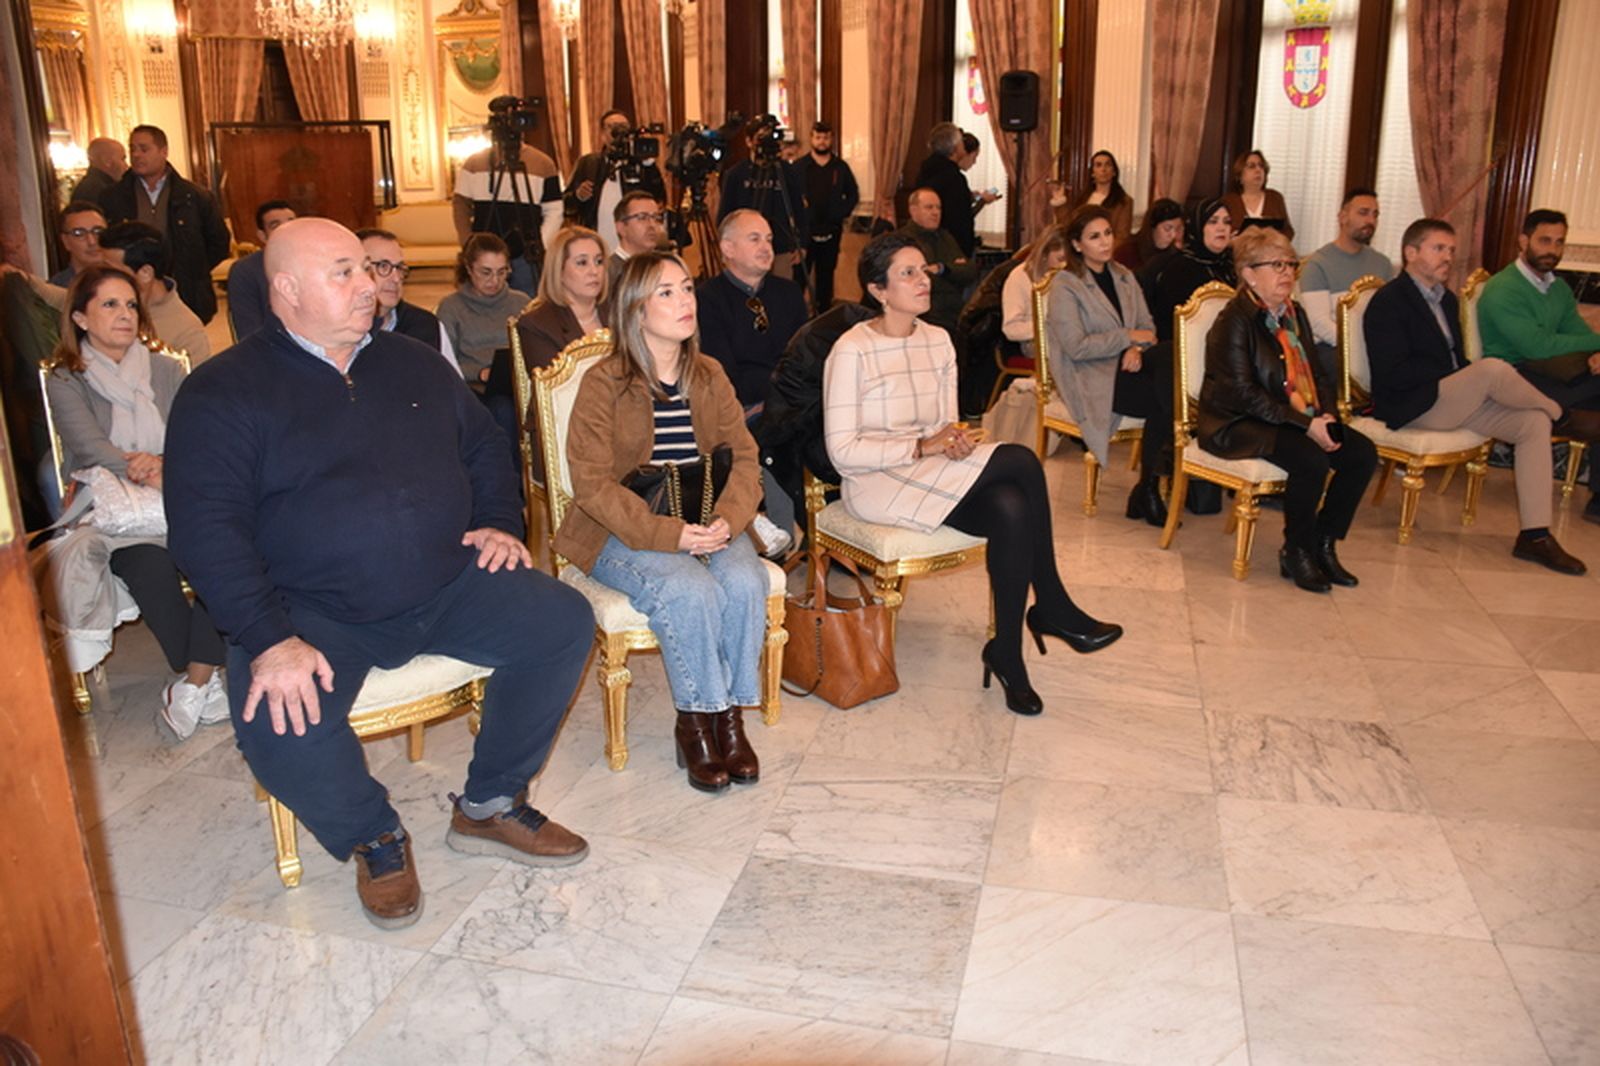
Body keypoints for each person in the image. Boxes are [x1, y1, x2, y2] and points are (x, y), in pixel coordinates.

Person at [163, 218, 595, 931]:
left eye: (367, 270)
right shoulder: (224, 392)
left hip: (447, 582)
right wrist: (270, 639)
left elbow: (485, 446)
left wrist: (498, 520)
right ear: (286, 289)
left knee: (560, 622)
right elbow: (206, 533)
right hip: (313, 611)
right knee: (277, 724)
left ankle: (489, 804)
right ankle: (375, 836)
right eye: (346, 273)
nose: (370, 286)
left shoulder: (413, 360)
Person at [823, 233, 1122, 717]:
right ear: (878, 290)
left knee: (1011, 506)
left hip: (931, 468)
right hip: (877, 483)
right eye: (908, 274)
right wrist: (922, 446)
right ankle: (1050, 604)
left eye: (924, 271)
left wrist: (955, 441)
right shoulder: (852, 350)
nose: (924, 281)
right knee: (1022, 462)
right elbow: (842, 452)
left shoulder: (939, 339)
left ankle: (1007, 652)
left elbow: (947, 424)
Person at [554, 251, 769, 794]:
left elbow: (744, 457)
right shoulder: (605, 383)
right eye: (666, 293)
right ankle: (696, 723)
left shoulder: (709, 374)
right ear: (635, 309)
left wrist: (726, 519)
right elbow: (593, 484)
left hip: (706, 516)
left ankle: (730, 720)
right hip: (620, 528)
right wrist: (669, 535)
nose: (685, 302)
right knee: (689, 589)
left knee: (746, 580)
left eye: (688, 288)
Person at [43, 265, 227, 737]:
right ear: (81, 318)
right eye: (109, 304)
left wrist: (167, 468)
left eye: (129, 304)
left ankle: (194, 684)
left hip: (175, 494)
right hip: (113, 510)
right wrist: (144, 467)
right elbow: (88, 447)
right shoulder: (68, 378)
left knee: (220, 559)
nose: (124, 314)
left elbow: (195, 434)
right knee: (150, 568)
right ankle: (202, 678)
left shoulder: (165, 367)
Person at [1365, 218, 1600, 575]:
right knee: (1492, 368)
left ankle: (1535, 536)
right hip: (1411, 404)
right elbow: (1392, 372)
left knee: (1532, 422)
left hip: (1446, 400)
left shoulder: (1446, 300)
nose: (1448, 257)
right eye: (1438, 249)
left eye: (1451, 250)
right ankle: (1562, 415)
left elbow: (1455, 359)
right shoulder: (1389, 301)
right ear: (1411, 253)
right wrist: (1461, 378)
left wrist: (1462, 378)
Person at [1198, 226, 1376, 592]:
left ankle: (1324, 543)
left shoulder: (1293, 314)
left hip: (1291, 416)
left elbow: (1317, 373)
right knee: (1311, 458)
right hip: (1235, 422)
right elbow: (1241, 394)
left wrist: (1325, 415)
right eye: (1275, 265)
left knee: (1360, 453)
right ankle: (1297, 551)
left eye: (1290, 264)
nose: (1287, 273)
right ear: (1248, 273)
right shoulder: (1234, 320)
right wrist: (1305, 424)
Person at [1478, 208, 1600, 525]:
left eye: (1560, 243)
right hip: (1512, 377)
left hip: (1551, 373)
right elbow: (1536, 346)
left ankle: (1599, 498)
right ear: (1523, 240)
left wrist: (1595, 349)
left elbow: (1580, 334)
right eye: (1545, 241)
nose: (1553, 250)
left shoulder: (1556, 288)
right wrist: (1592, 345)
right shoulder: (1504, 288)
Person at [1046, 206, 1165, 525]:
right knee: (1166, 400)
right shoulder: (1066, 285)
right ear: (1077, 245)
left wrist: (1137, 347)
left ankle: (1149, 487)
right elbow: (1077, 346)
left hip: (1129, 367)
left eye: (1108, 233)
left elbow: (1149, 327)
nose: (1104, 242)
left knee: (1166, 363)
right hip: (1089, 374)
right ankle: (1148, 488)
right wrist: (1126, 338)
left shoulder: (1125, 276)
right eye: (1094, 237)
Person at [98, 125, 230, 324]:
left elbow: (218, 242)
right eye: (132, 149)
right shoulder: (112, 198)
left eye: (144, 149)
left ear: (163, 151)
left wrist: (193, 269)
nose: (136, 155)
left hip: (185, 293)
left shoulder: (195, 197)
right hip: (128, 294)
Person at [696, 210, 808, 416]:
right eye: (754, 239)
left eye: (769, 240)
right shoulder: (706, 299)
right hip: (741, 408)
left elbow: (804, 357)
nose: (766, 248)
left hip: (792, 401)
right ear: (728, 248)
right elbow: (721, 372)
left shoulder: (789, 291)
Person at [452, 101, 564, 296]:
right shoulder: (474, 163)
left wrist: (541, 242)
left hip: (526, 257)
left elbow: (554, 209)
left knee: (528, 309)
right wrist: (468, 242)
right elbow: (460, 204)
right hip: (483, 254)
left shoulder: (543, 163)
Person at [1299, 188, 1394, 381]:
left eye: (1375, 215)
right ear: (1343, 217)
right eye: (1363, 213)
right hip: (1332, 347)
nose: (1370, 221)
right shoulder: (1318, 264)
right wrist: (1357, 347)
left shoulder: (1383, 264)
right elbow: (1318, 323)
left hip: (1373, 344)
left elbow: (1391, 316)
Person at [98, 222, 211, 364]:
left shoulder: (186, 333)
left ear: (145, 273)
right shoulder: (96, 303)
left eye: (111, 271)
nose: (101, 277)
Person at [564, 109, 669, 254]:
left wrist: (648, 165)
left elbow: (659, 198)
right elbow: (565, 204)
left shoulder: (642, 164)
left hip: (635, 246)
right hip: (597, 245)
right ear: (602, 134)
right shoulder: (588, 163)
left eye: (624, 127)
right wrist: (578, 195)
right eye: (612, 127)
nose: (619, 132)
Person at [436, 232, 533, 389]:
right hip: (472, 389)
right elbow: (444, 363)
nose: (494, 281)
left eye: (502, 272)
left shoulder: (521, 302)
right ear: (469, 268)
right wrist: (479, 373)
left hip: (518, 387)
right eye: (486, 272)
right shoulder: (451, 307)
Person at [356, 228, 460, 374]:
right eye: (383, 266)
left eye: (399, 268)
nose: (396, 278)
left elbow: (453, 390)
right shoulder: (337, 331)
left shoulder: (426, 325)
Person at [718, 115, 809, 281]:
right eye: (761, 137)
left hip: (781, 248)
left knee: (780, 297)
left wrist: (802, 243)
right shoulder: (735, 174)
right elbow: (725, 213)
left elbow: (799, 209)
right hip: (744, 250)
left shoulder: (787, 172)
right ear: (749, 141)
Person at [514, 225, 610, 372]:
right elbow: (557, 389)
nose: (594, 271)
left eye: (599, 261)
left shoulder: (620, 313)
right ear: (559, 271)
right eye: (582, 263)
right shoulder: (537, 325)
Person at [1142, 198, 1237, 343]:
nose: (1221, 228)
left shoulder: (1233, 265)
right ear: (1198, 226)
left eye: (1227, 222)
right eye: (1213, 221)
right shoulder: (1178, 269)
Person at [791, 121, 859, 310]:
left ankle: (823, 315)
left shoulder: (840, 167)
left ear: (832, 140)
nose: (822, 142)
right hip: (804, 234)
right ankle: (795, 315)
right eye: (818, 137)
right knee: (800, 277)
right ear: (811, 139)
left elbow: (853, 194)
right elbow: (789, 196)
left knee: (826, 277)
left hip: (831, 231)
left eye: (826, 138)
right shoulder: (799, 167)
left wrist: (840, 213)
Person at [898, 188, 976, 337]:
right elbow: (919, 281)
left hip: (954, 313)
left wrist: (943, 269)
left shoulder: (945, 237)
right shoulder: (903, 240)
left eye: (938, 208)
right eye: (929, 207)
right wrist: (953, 273)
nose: (935, 212)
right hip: (924, 315)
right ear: (913, 210)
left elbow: (970, 271)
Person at [227, 200, 297, 341]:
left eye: (291, 223)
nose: (286, 229)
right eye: (275, 225)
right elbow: (249, 332)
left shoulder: (317, 262)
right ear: (262, 236)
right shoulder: (246, 271)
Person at [913, 123, 984, 258]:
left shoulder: (924, 172)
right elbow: (960, 220)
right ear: (955, 148)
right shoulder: (954, 178)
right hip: (951, 249)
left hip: (925, 245)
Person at [1002, 226, 1068, 345]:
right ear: (1044, 255)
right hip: (1035, 341)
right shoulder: (1020, 277)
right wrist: (1048, 327)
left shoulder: (1073, 274)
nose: (1066, 265)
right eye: (1061, 259)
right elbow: (1011, 329)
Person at [1057, 150, 1133, 246]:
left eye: (1108, 165)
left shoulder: (1124, 201)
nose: (1103, 169)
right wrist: (1059, 201)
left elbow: (1122, 237)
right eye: (1098, 165)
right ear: (1092, 173)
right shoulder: (1084, 198)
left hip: (1104, 252)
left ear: (1114, 172)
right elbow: (1068, 227)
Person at [1222, 150, 1294, 240]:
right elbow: (1222, 233)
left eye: (1261, 166)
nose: (1258, 170)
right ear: (1240, 175)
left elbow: (1288, 231)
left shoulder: (1275, 198)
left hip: (1272, 253)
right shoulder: (1229, 201)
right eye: (1251, 166)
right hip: (1239, 253)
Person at [608, 191, 668, 290]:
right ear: (621, 227)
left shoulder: (664, 268)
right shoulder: (607, 275)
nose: (652, 225)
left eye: (656, 218)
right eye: (642, 217)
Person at [1114, 197, 1184, 271]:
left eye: (1177, 229)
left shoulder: (1175, 254)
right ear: (1152, 226)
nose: (1173, 235)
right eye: (1167, 228)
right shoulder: (1127, 253)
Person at [50, 201, 107, 287]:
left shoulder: (126, 280)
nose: (92, 241)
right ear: (65, 241)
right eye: (79, 233)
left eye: (98, 231)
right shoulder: (55, 289)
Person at [68, 137, 128, 206]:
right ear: (107, 161)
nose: (126, 165)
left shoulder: (90, 185)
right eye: (123, 159)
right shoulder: (101, 191)